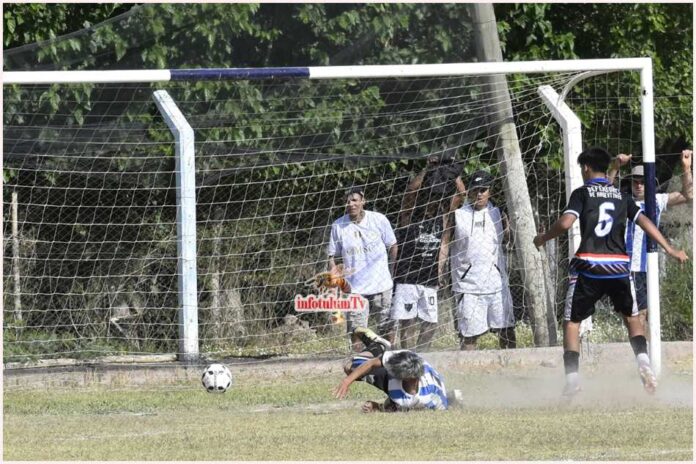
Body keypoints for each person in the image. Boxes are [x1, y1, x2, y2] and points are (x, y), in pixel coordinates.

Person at [533, 147, 688, 397]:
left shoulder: (582, 193)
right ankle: (644, 363)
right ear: (605, 168)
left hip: (589, 267)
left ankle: (572, 379)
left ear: (586, 168)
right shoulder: (621, 196)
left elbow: (565, 223)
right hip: (618, 267)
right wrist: (669, 249)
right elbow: (645, 222)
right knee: (632, 319)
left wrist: (542, 238)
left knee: (572, 323)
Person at [607, 149, 693, 335]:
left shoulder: (657, 200)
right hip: (630, 266)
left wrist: (686, 169)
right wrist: (615, 167)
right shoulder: (623, 200)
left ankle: (645, 348)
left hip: (650, 266)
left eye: (642, 182)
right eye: (635, 182)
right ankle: (644, 350)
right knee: (637, 314)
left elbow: (689, 195)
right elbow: (604, 190)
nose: (638, 185)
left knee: (644, 314)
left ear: (650, 184)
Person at [390, 154, 465, 350]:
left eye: (437, 198)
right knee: (407, 322)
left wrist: (451, 170)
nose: (433, 202)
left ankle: (422, 354)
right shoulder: (410, 214)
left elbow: (461, 195)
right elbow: (411, 190)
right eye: (430, 197)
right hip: (407, 275)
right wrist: (429, 168)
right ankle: (406, 354)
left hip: (429, 275)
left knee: (430, 323)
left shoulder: (444, 216)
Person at [447, 169, 516, 350]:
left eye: (483, 190)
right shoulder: (458, 215)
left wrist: (512, 229)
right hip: (468, 286)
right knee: (469, 337)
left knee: (507, 330)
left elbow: (509, 238)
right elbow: (445, 243)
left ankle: (512, 365)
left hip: (497, 283)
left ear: (489, 191)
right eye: (475, 190)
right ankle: (467, 367)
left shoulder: (499, 213)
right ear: (469, 191)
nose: (479, 194)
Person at [328, 186, 398, 351]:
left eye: (354, 200)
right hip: (355, 289)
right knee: (357, 332)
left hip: (382, 284)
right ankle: (358, 360)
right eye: (347, 201)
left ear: (363, 201)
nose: (351, 204)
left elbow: (393, 245)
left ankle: (391, 358)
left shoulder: (379, 220)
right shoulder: (338, 226)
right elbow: (332, 257)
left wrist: (394, 271)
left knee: (388, 328)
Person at [333, 327, 448, 412]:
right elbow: (372, 363)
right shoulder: (405, 358)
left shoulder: (425, 399)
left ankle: (379, 348)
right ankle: (378, 346)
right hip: (404, 368)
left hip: (406, 386)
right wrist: (347, 381)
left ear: (405, 377)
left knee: (348, 366)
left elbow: (396, 408)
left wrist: (377, 407)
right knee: (349, 367)